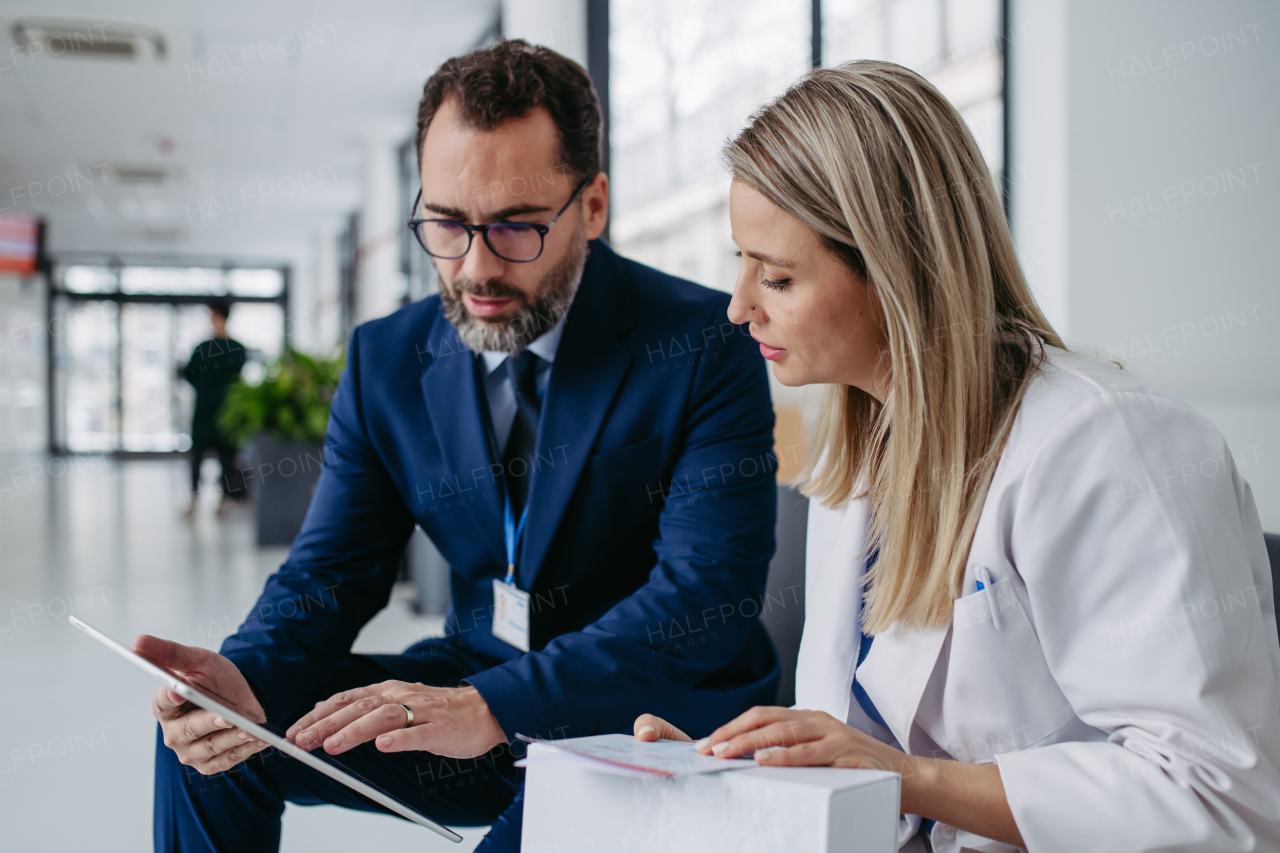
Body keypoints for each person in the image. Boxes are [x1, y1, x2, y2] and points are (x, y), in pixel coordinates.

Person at [137, 40, 779, 853]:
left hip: (654, 718)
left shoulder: (700, 343)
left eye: (515, 226)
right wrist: (247, 677)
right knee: (213, 745)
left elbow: (702, 599)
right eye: (445, 223)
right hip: (472, 683)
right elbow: (331, 570)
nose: (475, 268)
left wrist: (497, 707)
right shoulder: (386, 360)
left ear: (592, 205)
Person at [634, 61, 1280, 851]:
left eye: (777, 275)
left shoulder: (1110, 446)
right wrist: (733, 777)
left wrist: (909, 776)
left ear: (896, 272)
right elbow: (854, 753)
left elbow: (1218, 796)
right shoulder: (867, 453)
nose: (739, 306)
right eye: (742, 263)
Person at [181, 298, 247, 518]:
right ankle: (194, 501)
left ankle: (224, 500)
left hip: (226, 414)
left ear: (220, 317)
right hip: (205, 412)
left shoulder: (234, 348)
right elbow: (190, 374)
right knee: (197, 458)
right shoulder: (205, 348)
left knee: (226, 459)